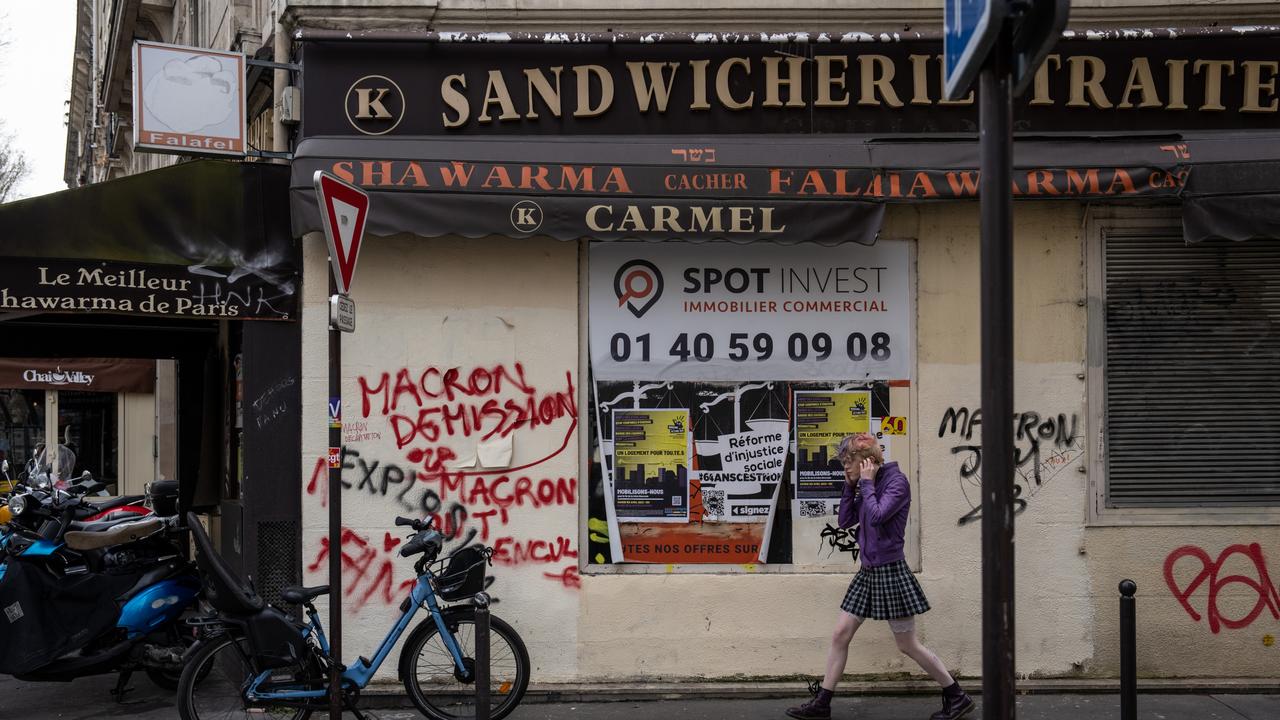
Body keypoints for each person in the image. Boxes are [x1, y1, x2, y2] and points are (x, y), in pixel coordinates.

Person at [787, 432, 974, 720]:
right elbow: (846, 521)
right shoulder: (865, 483)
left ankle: (956, 695)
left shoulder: (896, 483)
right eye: (844, 464)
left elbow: (876, 516)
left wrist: (865, 483)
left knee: (907, 644)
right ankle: (822, 704)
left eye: (848, 462)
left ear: (867, 461)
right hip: (868, 572)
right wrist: (851, 488)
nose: (845, 468)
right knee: (840, 634)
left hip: (890, 572)